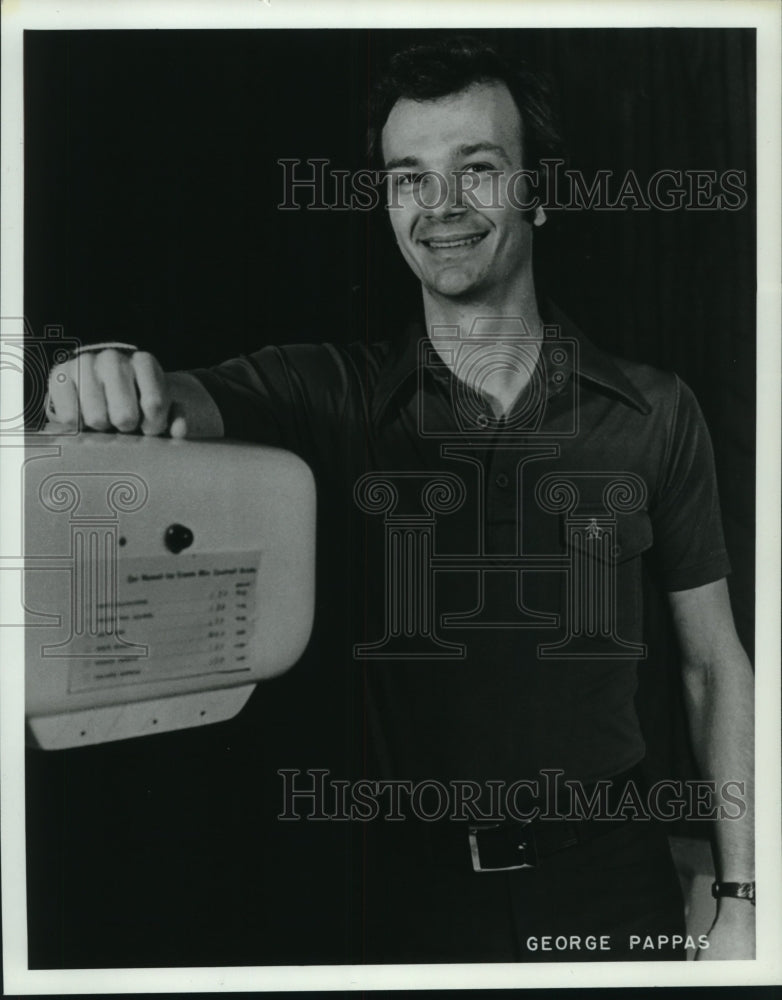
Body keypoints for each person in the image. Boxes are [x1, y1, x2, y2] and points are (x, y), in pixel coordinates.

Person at [46, 36, 754, 963]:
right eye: (408, 177)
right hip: (402, 903)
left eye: (478, 169)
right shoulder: (326, 393)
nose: (440, 205)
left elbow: (714, 669)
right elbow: (163, 395)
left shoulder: (655, 411)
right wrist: (93, 372)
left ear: (540, 191)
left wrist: (743, 898)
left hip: (612, 884)